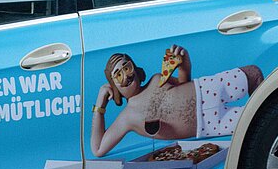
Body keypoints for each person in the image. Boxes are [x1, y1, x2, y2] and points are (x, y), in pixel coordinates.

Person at [90, 45, 263, 157]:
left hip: (207, 89)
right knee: (256, 123)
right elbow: (98, 149)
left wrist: (184, 65)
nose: (126, 75)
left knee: (253, 74)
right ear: (114, 87)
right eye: (118, 75)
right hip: (210, 124)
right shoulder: (127, 118)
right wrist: (100, 104)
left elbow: (183, 82)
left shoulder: (157, 78)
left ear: (135, 68)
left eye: (126, 67)